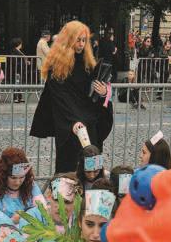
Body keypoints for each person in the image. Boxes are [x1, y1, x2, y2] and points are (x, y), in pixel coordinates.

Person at [31, 20, 113, 173]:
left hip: (90, 123)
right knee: (69, 169)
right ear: (68, 40)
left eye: (84, 40)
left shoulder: (89, 64)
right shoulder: (56, 67)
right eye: (78, 40)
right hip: (69, 127)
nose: (81, 44)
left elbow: (94, 96)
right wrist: (72, 122)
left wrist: (103, 93)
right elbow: (60, 99)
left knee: (91, 168)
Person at [0, 147, 46, 221]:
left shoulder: (30, 185)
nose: (17, 182)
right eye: (13, 178)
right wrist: (12, 220)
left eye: (22, 177)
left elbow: (43, 210)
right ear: (3, 175)